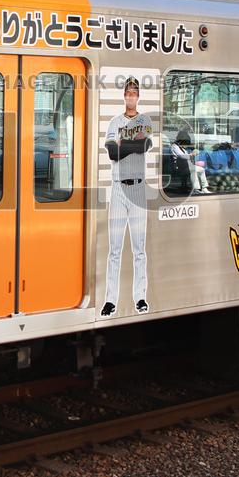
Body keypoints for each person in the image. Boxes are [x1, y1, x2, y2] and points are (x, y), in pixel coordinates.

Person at [101, 77, 153, 317]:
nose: (131, 96)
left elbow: (145, 146)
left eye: (134, 93)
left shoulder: (145, 120)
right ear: (124, 96)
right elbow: (112, 153)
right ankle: (110, 300)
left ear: (138, 96)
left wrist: (126, 144)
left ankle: (140, 298)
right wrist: (131, 145)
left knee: (139, 249)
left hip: (138, 189)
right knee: (115, 249)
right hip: (119, 189)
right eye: (128, 93)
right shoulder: (114, 121)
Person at [170, 128, 211, 194]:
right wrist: (192, 154)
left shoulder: (182, 148)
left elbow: (187, 156)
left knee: (201, 169)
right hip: (178, 167)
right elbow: (181, 156)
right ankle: (195, 189)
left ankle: (204, 188)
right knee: (193, 170)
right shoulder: (174, 146)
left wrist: (192, 155)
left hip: (185, 166)